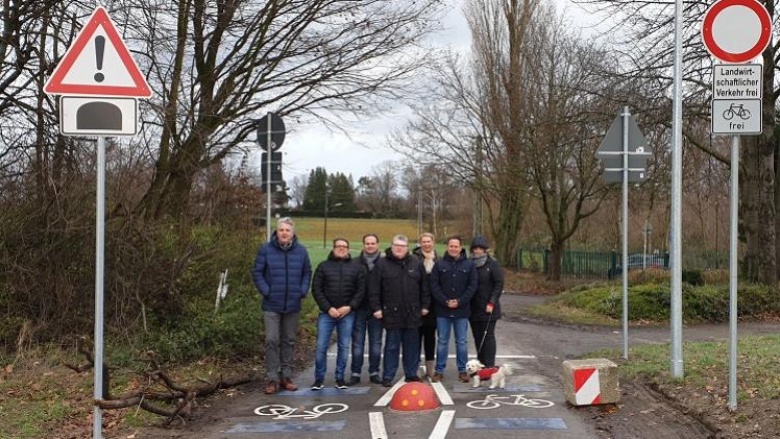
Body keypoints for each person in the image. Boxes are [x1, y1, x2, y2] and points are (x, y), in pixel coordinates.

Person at [251, 217, 312, 394]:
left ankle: (286, 376)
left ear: (292, 233)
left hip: (293, 304)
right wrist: (266, 290)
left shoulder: (301, 251)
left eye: (287, 230)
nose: (284, 233)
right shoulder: (266, 250)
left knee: (289, 341)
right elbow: (257, 272)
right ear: (277, 232)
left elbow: (307, 272)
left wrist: (302, 290)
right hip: (271, 304)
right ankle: (272, 378)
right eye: (281, 230)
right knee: (271, 340)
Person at [369, 234, 431, 386]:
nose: (399, 248)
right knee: (391, 346)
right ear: (391, 245)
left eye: (402, 246)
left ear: (407, 248)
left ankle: (411, 374)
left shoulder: (416, 263)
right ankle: (388, 376)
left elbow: (424, 287)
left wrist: (425, 306)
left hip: (413, 313)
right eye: (396, 245)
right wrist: (376, 308)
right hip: (391, 313)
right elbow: (374, 288)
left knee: (412, 347)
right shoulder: (382, 264)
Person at [311, 238, 366, 390]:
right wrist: (328, 308)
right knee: (321, 346)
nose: (341, 249)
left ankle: (340, 378)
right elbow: (316, 289)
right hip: (326, 314)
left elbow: (361, 290)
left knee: (344, 347)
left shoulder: (357, 268)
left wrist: (349, 307)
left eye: (344, 246)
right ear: (333, 248)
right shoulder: (323, 266)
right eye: (338, 246)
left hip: (347, 314)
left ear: (348, 249)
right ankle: (319, 379)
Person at [430, 236, 477, 383]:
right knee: (442, 341)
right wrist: (445, 301)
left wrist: (460, 301)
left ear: (461, 247)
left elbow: (472, 286)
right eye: (451, 246)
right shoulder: (439, 264)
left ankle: (463, 370)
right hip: (443, 310)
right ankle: (439, 371)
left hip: (461, 310)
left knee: (461, 342)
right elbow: (434, 285)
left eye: (456, 246)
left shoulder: (469, 265)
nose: (453, 248)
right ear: (447, 247)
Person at [349, 234, 385, 385]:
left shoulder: (384, 263)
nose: (370, 246)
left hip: (377, 309)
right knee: (357, 343)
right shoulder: (355, 263)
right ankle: (355, 373)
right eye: (367, 243)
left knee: (376, 343)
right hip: (359, 308)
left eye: (373, 243)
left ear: (377, 244)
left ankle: (374, 372)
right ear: (363, 245)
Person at [468, 236, 505, 368]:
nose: (477, 251)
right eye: (475, 248)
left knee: (488, 337)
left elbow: (499, 284)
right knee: (478, 338)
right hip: (473, 308)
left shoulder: (492, 264)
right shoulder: (469, 263)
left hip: (488, 308)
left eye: (480, 248)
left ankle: (489, 366)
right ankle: (481, 364)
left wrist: (492, 302)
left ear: (485, 250)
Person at [413, 232, 439, 379]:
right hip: (417, 304)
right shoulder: (414, 259)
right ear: (420, 243)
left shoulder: (438, 259)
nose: (426, 244)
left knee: (430, 337)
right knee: (415, 337)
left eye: (429, 241)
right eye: (424, 241)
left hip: (434, 306)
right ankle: (414, 367)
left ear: (433, 243)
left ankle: (430, 369)